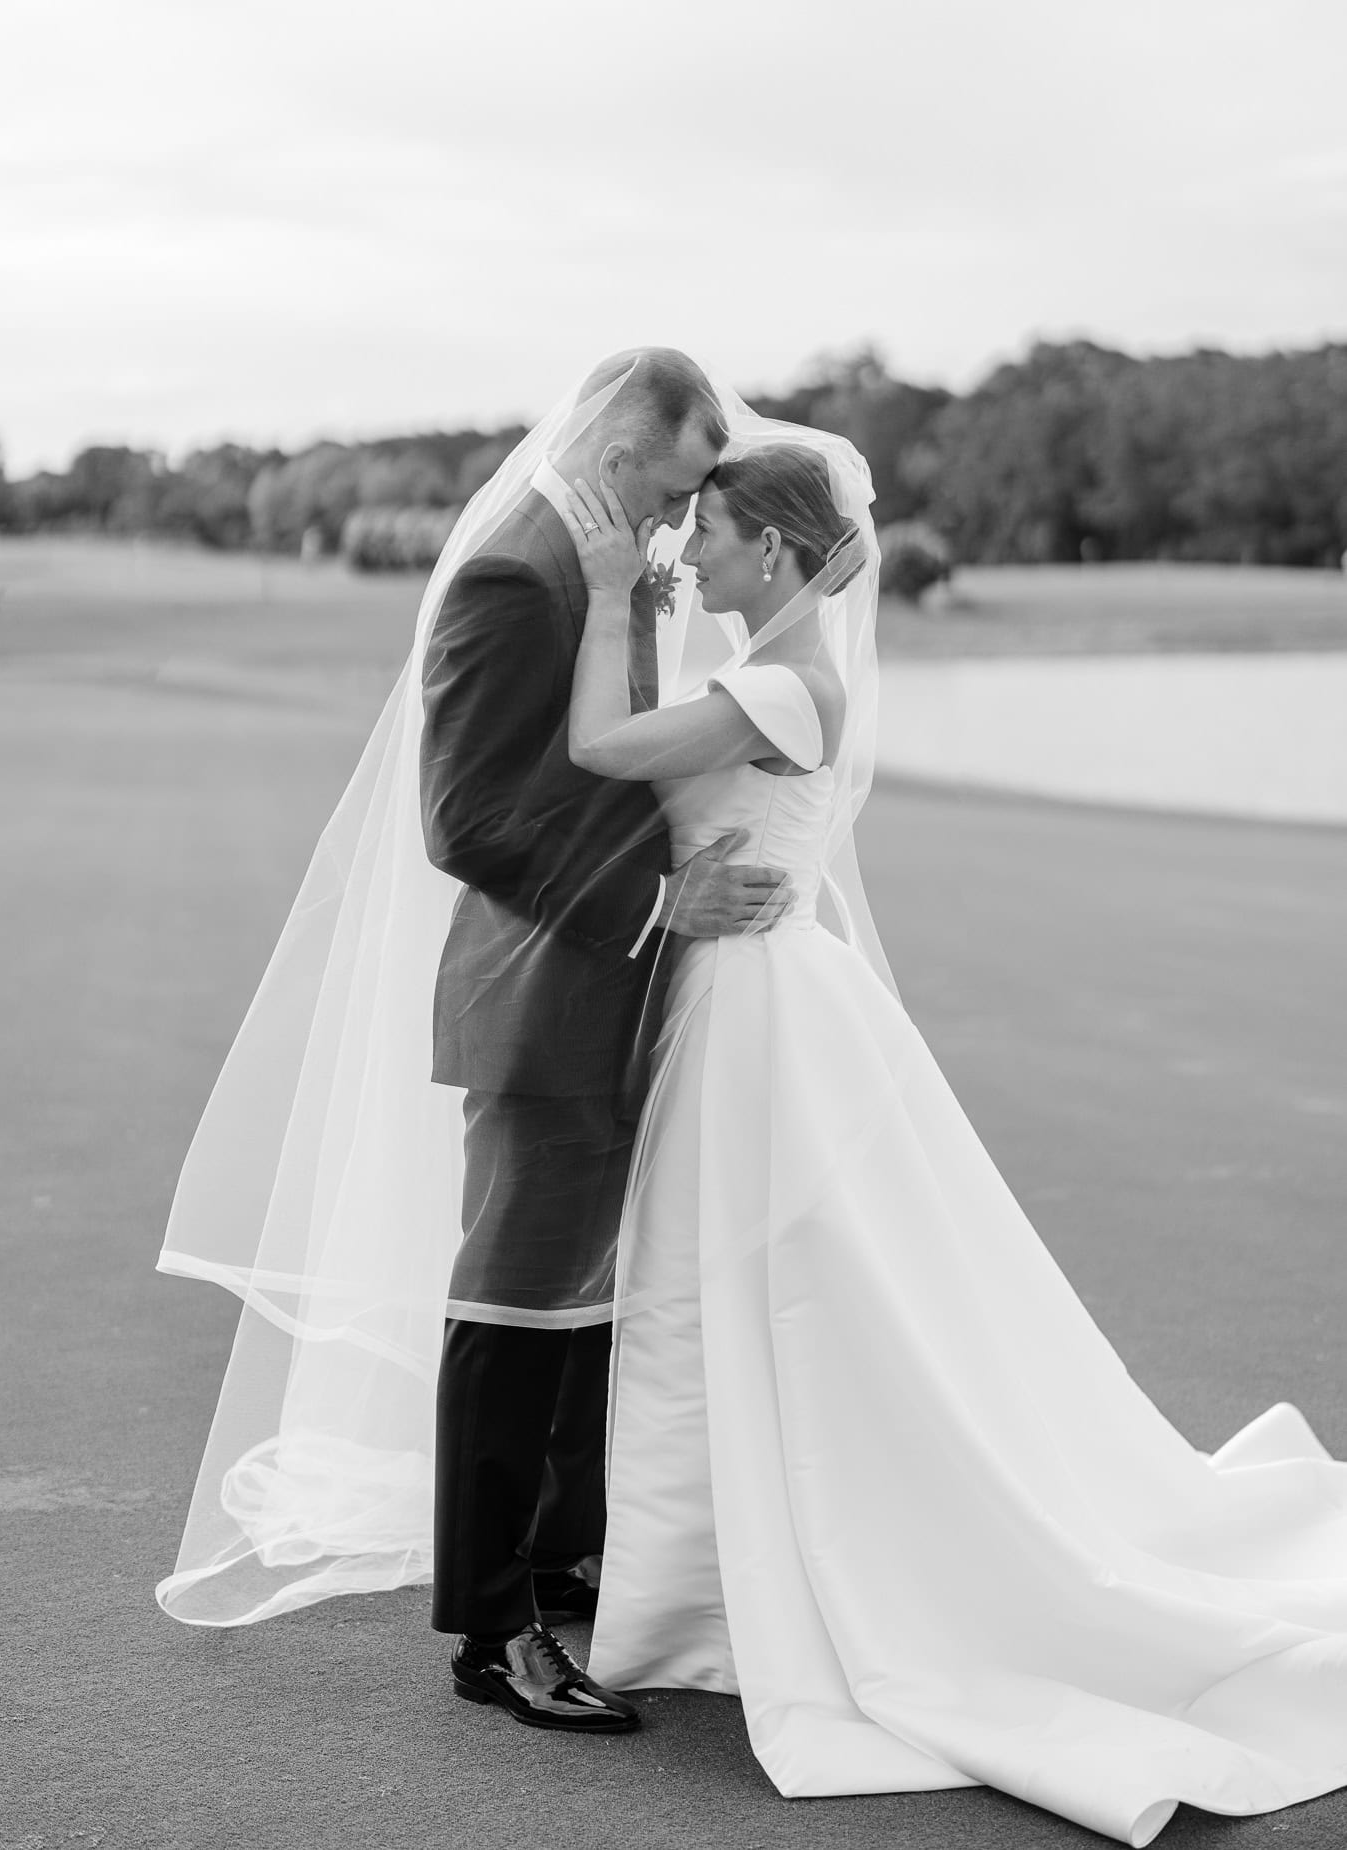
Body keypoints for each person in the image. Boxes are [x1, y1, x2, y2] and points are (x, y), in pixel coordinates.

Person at [557, 429, 1347, 1848]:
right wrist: (657, 617)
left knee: (786, 1285)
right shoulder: (768, 666)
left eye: (716, 535)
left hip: (767, 1014)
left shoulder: (785, 682)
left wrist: (617, 590)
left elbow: (600, 752)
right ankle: (702, 1580)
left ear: (779, 553)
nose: (696, 549)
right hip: (741, 993)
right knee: (718, 1286)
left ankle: (764, 1579)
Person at [152, 352, 793, 1732]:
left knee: (581, 1284)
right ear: (626, 453)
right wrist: (661, 896)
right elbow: (466, 820)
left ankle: (561, 1554)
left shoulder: (599, 556)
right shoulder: (518, 572)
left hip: (614, 986)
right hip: (542, 987)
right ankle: (492, 1632)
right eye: (678, 490)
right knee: (512, 1296)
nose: (683, 526)